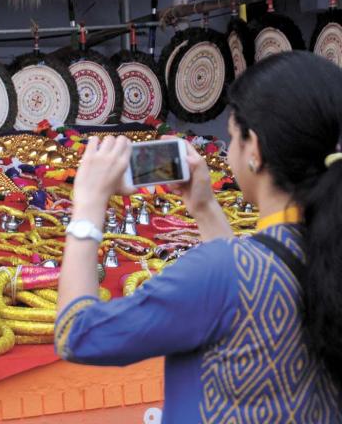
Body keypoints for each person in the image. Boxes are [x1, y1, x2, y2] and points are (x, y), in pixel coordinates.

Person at [55, 51, 342, 423]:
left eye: (232, 137)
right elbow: (246, 282)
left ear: (253, 148)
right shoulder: (325, 249)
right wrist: (204, 207)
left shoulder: (220, 273)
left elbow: (77, 334)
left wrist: (88, 208)